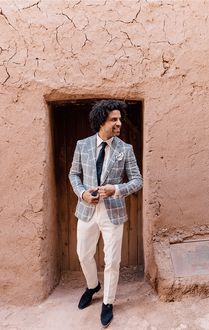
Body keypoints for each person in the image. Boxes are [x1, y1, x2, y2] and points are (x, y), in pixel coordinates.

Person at [69, 99, 143, 327]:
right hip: (87, 210)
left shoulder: (125, 149)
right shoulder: (82, 145)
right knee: (83, 254)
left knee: (112, 261)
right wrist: (82, 194)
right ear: (102, 121)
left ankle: (108, 302)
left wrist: (117, 189)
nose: (119, 123)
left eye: (120, 119)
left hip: (113, 212)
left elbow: (137, 181)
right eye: (114, 119)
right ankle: (92, 286)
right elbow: (74, 175)